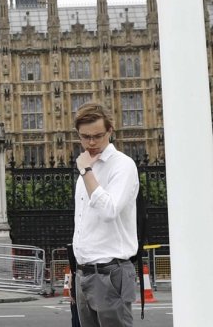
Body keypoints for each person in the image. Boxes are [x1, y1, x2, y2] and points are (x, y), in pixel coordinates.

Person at [71, 102, 139, 327]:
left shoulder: (122, 166)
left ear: (110, 131)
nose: (91, 143)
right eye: (85, 136)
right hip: (84, 273)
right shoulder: (87, 166)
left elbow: (109, 210)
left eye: (98, 136)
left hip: (111, 273)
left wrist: (86, 172)